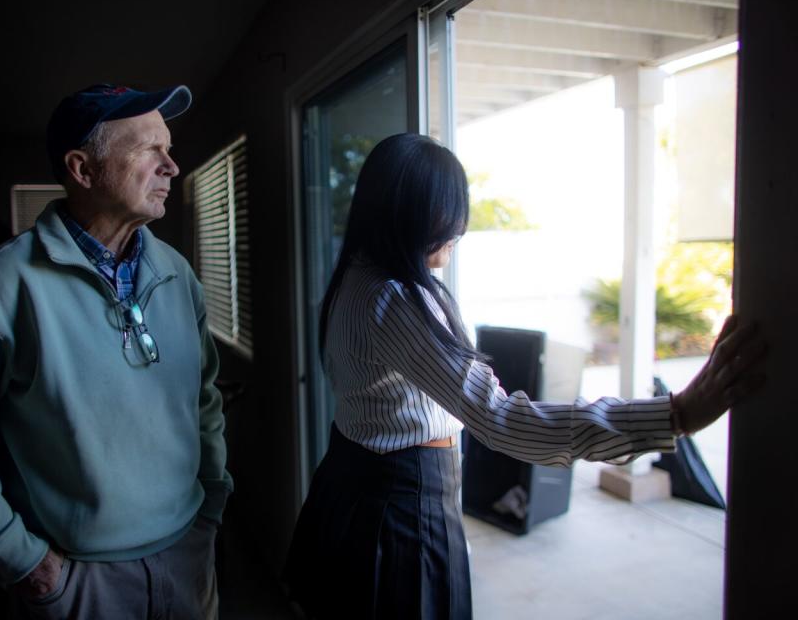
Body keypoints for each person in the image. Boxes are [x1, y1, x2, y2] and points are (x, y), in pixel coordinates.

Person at [283, 133, 765, 619]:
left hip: (350, 486)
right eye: (446, 215)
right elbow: (504, 421)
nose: (458, 230)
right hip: (400, 510)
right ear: (408, 215)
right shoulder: (397, 299)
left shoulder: (354, 276)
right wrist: (675, 414)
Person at [0, 83, 232, 619]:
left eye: (169, 149)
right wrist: (24, 559)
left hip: (189, 552)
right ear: (83, 169)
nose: (171, 166)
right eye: (150, 150)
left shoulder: (177, 273)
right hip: (77, 578)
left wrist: (212, 502)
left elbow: (203, 399)